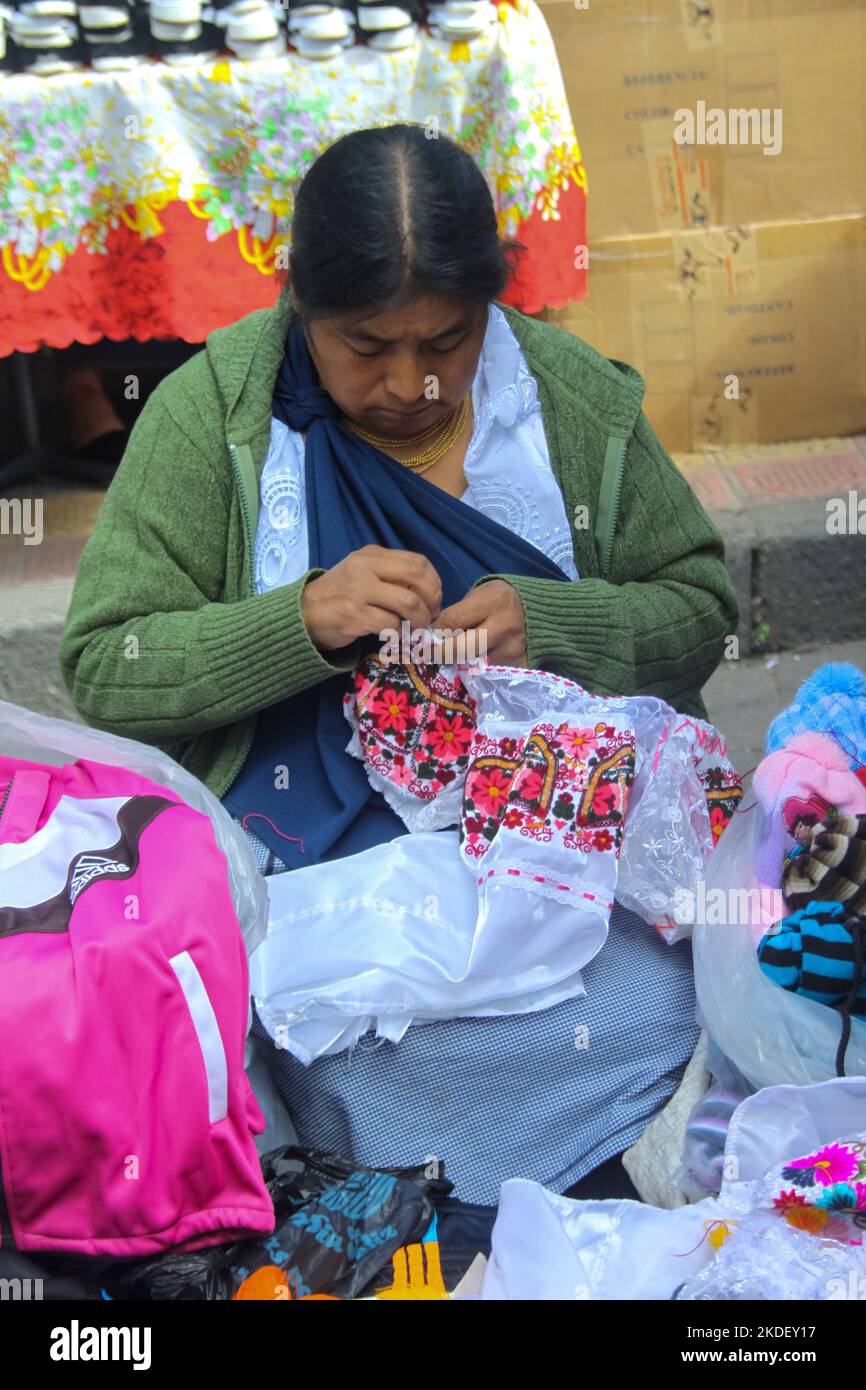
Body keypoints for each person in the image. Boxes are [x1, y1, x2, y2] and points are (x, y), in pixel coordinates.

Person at [61, 124, 738, 1206]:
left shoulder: (565, 404)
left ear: (492, 311)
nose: (412, 383)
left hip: (559, 844)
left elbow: (701, 609)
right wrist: (297, 622)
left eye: (446, 342)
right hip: (319, 861)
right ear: (297, 306)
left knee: (682, 988)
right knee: (354, 1035)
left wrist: (552, 623)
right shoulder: (215, 420)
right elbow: (107, 660)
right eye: (366, 347)